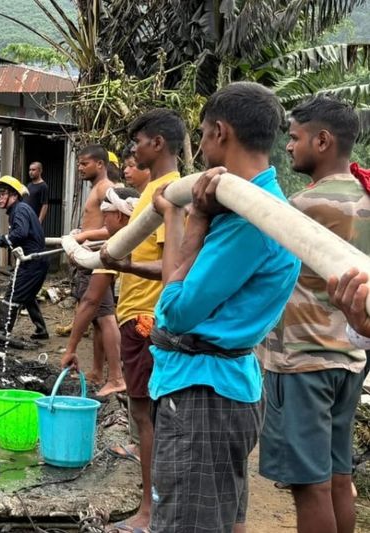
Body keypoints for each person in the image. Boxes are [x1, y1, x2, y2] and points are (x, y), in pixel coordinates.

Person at [146, 82, 301, 532]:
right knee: (219, 519)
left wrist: (195, 222)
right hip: (216, 390)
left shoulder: (251, 218)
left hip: (203, 397)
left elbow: (175, 311)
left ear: (219, 132)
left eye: (201, 134)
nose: (200, 145)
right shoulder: (248, 206)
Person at [258, 96, 368, 533]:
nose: (288, 146)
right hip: (349, 357)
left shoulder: (304, 209)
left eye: (295, 136)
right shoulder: (364, 194)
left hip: (303, 359)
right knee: (340, 477)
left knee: (309, 486)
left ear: (323, 141)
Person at [99, 108, 185, 532]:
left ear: (159, 144)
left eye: (138, 141)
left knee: (147, 416)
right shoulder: (155, 191)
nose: (132, 150)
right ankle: (155, 510)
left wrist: (125, 265)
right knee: (144, 415)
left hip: (146, 318)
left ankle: (150, 515)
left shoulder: (170, 193)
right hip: (138, 315)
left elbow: (176, 265)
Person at [60, 187, 140, 397]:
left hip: (140, 321)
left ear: (121, 215)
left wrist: (70, 349)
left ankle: (116, 378)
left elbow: (90, 300)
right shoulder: (140, 234)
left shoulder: (118, 244)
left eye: (106, 213)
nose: (103, 219)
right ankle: (108, 376)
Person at [69, 145, 122, 387]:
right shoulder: (96, 189)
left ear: (100, 164)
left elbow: (115, 227)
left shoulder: (106, 188)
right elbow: (97, 224)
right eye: (79, 164)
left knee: (106, 317)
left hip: (96, 261)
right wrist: (81, 233)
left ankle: (116, 377)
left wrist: (82, 238)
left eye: (84, 163)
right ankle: (99, 372)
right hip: (90, 259)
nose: (80, 168)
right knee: (99, 320)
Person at [0, 176, 48, 339]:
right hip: (35, 262)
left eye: (2, 193)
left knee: (11, 296)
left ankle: (0, 335)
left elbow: (20, 234)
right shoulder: (20, 209)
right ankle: (41, 331)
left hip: (32, 263)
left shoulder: (19, 210)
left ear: (14, 195)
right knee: (27, 296)